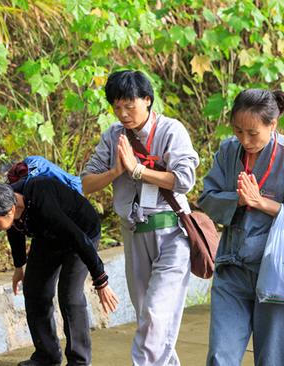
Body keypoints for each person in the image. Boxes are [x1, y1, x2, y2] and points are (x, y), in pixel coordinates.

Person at [81, 70, 199, 366]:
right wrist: (115, 173)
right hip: (134, 235)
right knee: (149, 317)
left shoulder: (171, 131)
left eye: (129, 106)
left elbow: (185, 180)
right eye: (116, 107)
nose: (123, 114)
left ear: (147, 100)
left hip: (172, 234)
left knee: (156, 314)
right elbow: (84, 183)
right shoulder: (113, 136)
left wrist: (137, 171)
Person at [198, 89, 284, 366]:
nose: (245, 139)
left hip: (278, 272)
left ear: (272, 125)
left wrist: (261, 203)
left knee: (275, 360)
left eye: (253, 133)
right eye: (238, 131)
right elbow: (207, 197)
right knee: (220, 356)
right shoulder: (229, 151)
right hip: (232, 269)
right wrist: (238, 200)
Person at [0, 178, 119, 366]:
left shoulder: (42, 200)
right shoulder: (10, 202)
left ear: (10, 210)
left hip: (81, 234)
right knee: (34, 290)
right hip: (48, 236)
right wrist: (19, 267)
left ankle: (79, 361)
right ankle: (46, 356)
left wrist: (101, 280)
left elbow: (78, 238)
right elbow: (14, 230)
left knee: (69, 296)